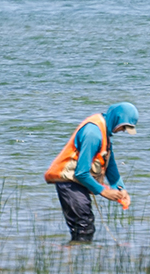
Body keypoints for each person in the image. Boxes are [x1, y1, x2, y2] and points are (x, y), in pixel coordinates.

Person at [42, 102, 138, 242]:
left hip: (78, 183)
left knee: (86, 226)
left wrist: (121, 189)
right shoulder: (93, 134)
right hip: (69, 184)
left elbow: (110, 165)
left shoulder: (104, 132)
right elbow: (81, 173)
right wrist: (104, 191)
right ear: (117, 119)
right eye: (124, 127)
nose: (123, 130)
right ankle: (78, 258)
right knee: (84, 228)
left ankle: (78, 256)